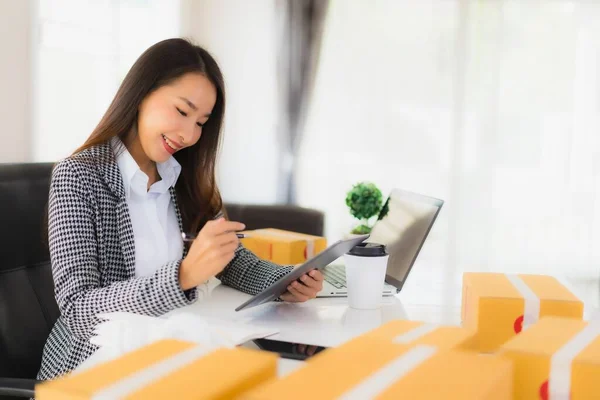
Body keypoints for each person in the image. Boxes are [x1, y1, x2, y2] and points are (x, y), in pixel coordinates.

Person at [37, 38, 324, 381]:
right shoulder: (79, 175)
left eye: (201, 122)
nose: (189, 134)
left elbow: (230, 258)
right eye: (182, 111)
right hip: (99, 360)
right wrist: (183, 276)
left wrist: (286, 281)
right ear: (141, 93)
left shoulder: (182, 176)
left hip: (176, 345)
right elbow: (79, 309)